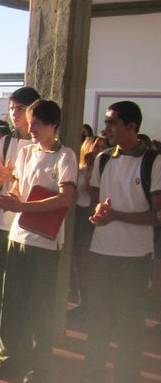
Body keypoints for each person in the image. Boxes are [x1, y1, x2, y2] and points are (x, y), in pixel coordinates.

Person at [72, 101, 161, 383]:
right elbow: (98, 202)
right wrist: (99, 215)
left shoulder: (153, 162)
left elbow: (157, 216)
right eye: (106, 122)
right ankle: (91, 376)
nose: (107, 128)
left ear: (132, 126)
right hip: (102, 251)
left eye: (113, 122)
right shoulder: (102, 160)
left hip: (134, 257)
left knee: (129, 323)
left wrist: (116, 216)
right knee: (97, 318)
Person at [0, 100, 77, 383]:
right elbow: (18, 188)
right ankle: (10, 359)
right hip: (19, 235)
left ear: (53, 125)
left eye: (38, 123)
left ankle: (41, 367)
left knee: (41, 306)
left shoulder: (65, 156)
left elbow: (65, 198)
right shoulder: (25, 152)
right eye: (30, 122)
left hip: (46, 242)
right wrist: (8, 191)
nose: (32, 128)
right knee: (12, 301)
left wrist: (22, 206)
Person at [0, 86, 40, 354]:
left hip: (26, 226)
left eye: (20, 108)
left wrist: (14, 178)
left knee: (21, 291)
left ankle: (20, 346)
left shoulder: (42, 145)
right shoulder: (5, 141)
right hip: (0, 222)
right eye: (11, 108)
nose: (14, 113)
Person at [71, 134, 108, 316]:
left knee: (87, 261)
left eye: (103, 147)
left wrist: (90, 173)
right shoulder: (79, 168)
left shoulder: (101, 170)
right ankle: (82, 300)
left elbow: (94, 194)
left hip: (90, 215)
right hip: (78, 215)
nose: (100, 150)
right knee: (78, 260)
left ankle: (91, 303)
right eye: (96, 147)